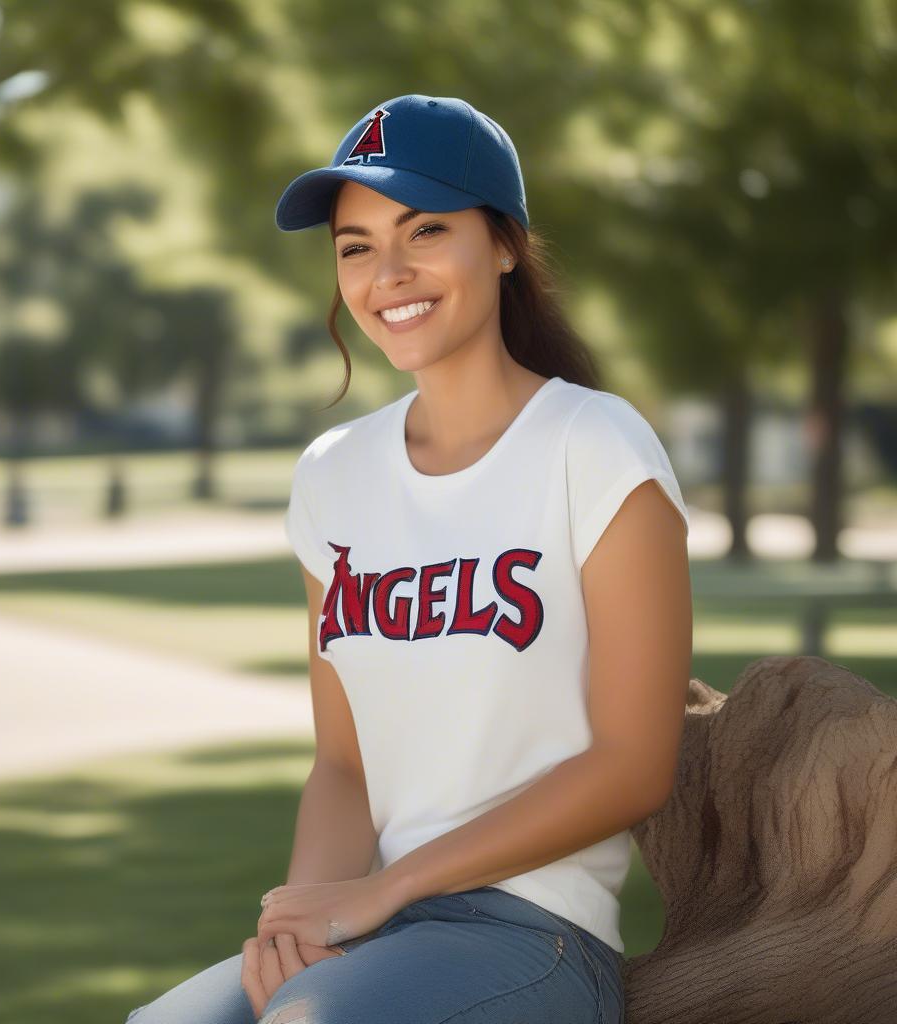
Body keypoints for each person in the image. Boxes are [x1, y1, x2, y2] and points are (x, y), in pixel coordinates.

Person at [124, 93, 691, 1024]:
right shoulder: (332, 477)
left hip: (535, 936)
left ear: (504, 245)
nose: (389, 272)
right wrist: (300, 926)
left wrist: (382, 893)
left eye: (425, 229)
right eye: (355, 246)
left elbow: (633, 764)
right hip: (372, 934)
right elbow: (344, 766)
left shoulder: (594, 447)